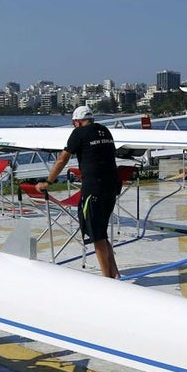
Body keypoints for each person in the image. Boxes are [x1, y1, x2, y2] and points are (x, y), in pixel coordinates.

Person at [36, 105, 122, 279]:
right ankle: (115, 273)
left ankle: (107, 280)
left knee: (96, 235)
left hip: (94, 189)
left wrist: (48, 181)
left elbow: (62, 158)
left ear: (77, 121)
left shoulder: (78, 133)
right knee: (101, 231)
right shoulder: (104, 131)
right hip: (112, 185)